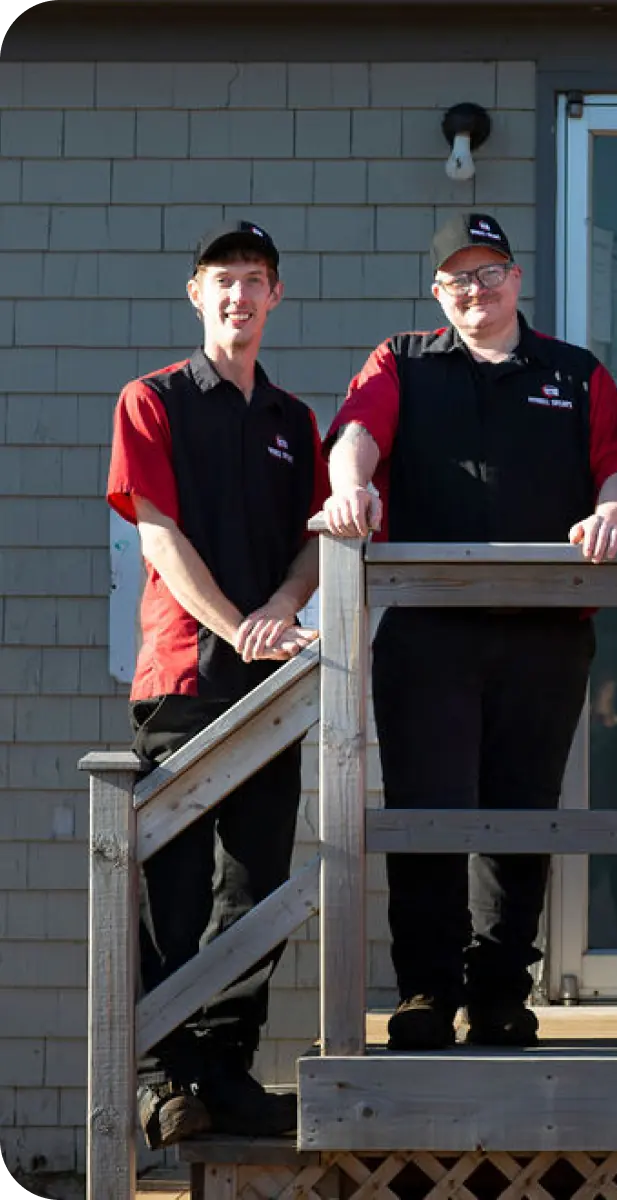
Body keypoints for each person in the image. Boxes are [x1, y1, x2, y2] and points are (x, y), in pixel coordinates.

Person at [322, 212, 617, 1051]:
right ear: (438, 292)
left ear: (516, 279)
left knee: (519, 815)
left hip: (545, 634)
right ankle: (427, 990)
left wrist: (614, 510)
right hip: (429, 631)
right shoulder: (404, 359)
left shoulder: (574, 375)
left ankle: (502, 992)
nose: (476, 288)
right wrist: (351, 489)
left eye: (489, 272)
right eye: (458, 277)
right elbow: (356, 431)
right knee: (428, 813)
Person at [107, 221, 324, 1146]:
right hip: (183, 681)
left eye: (257, 281)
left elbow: (318, 536)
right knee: (176, 889)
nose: (240, 296)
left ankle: (224, 1071)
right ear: (197, 294)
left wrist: (280, 604)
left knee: (259, 886)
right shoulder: (151, 400)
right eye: (224, 280)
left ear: (276, 298)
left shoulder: (293, 420)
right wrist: (238, 626)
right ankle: (162, 1082)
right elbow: (157, 532)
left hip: (271, 689)